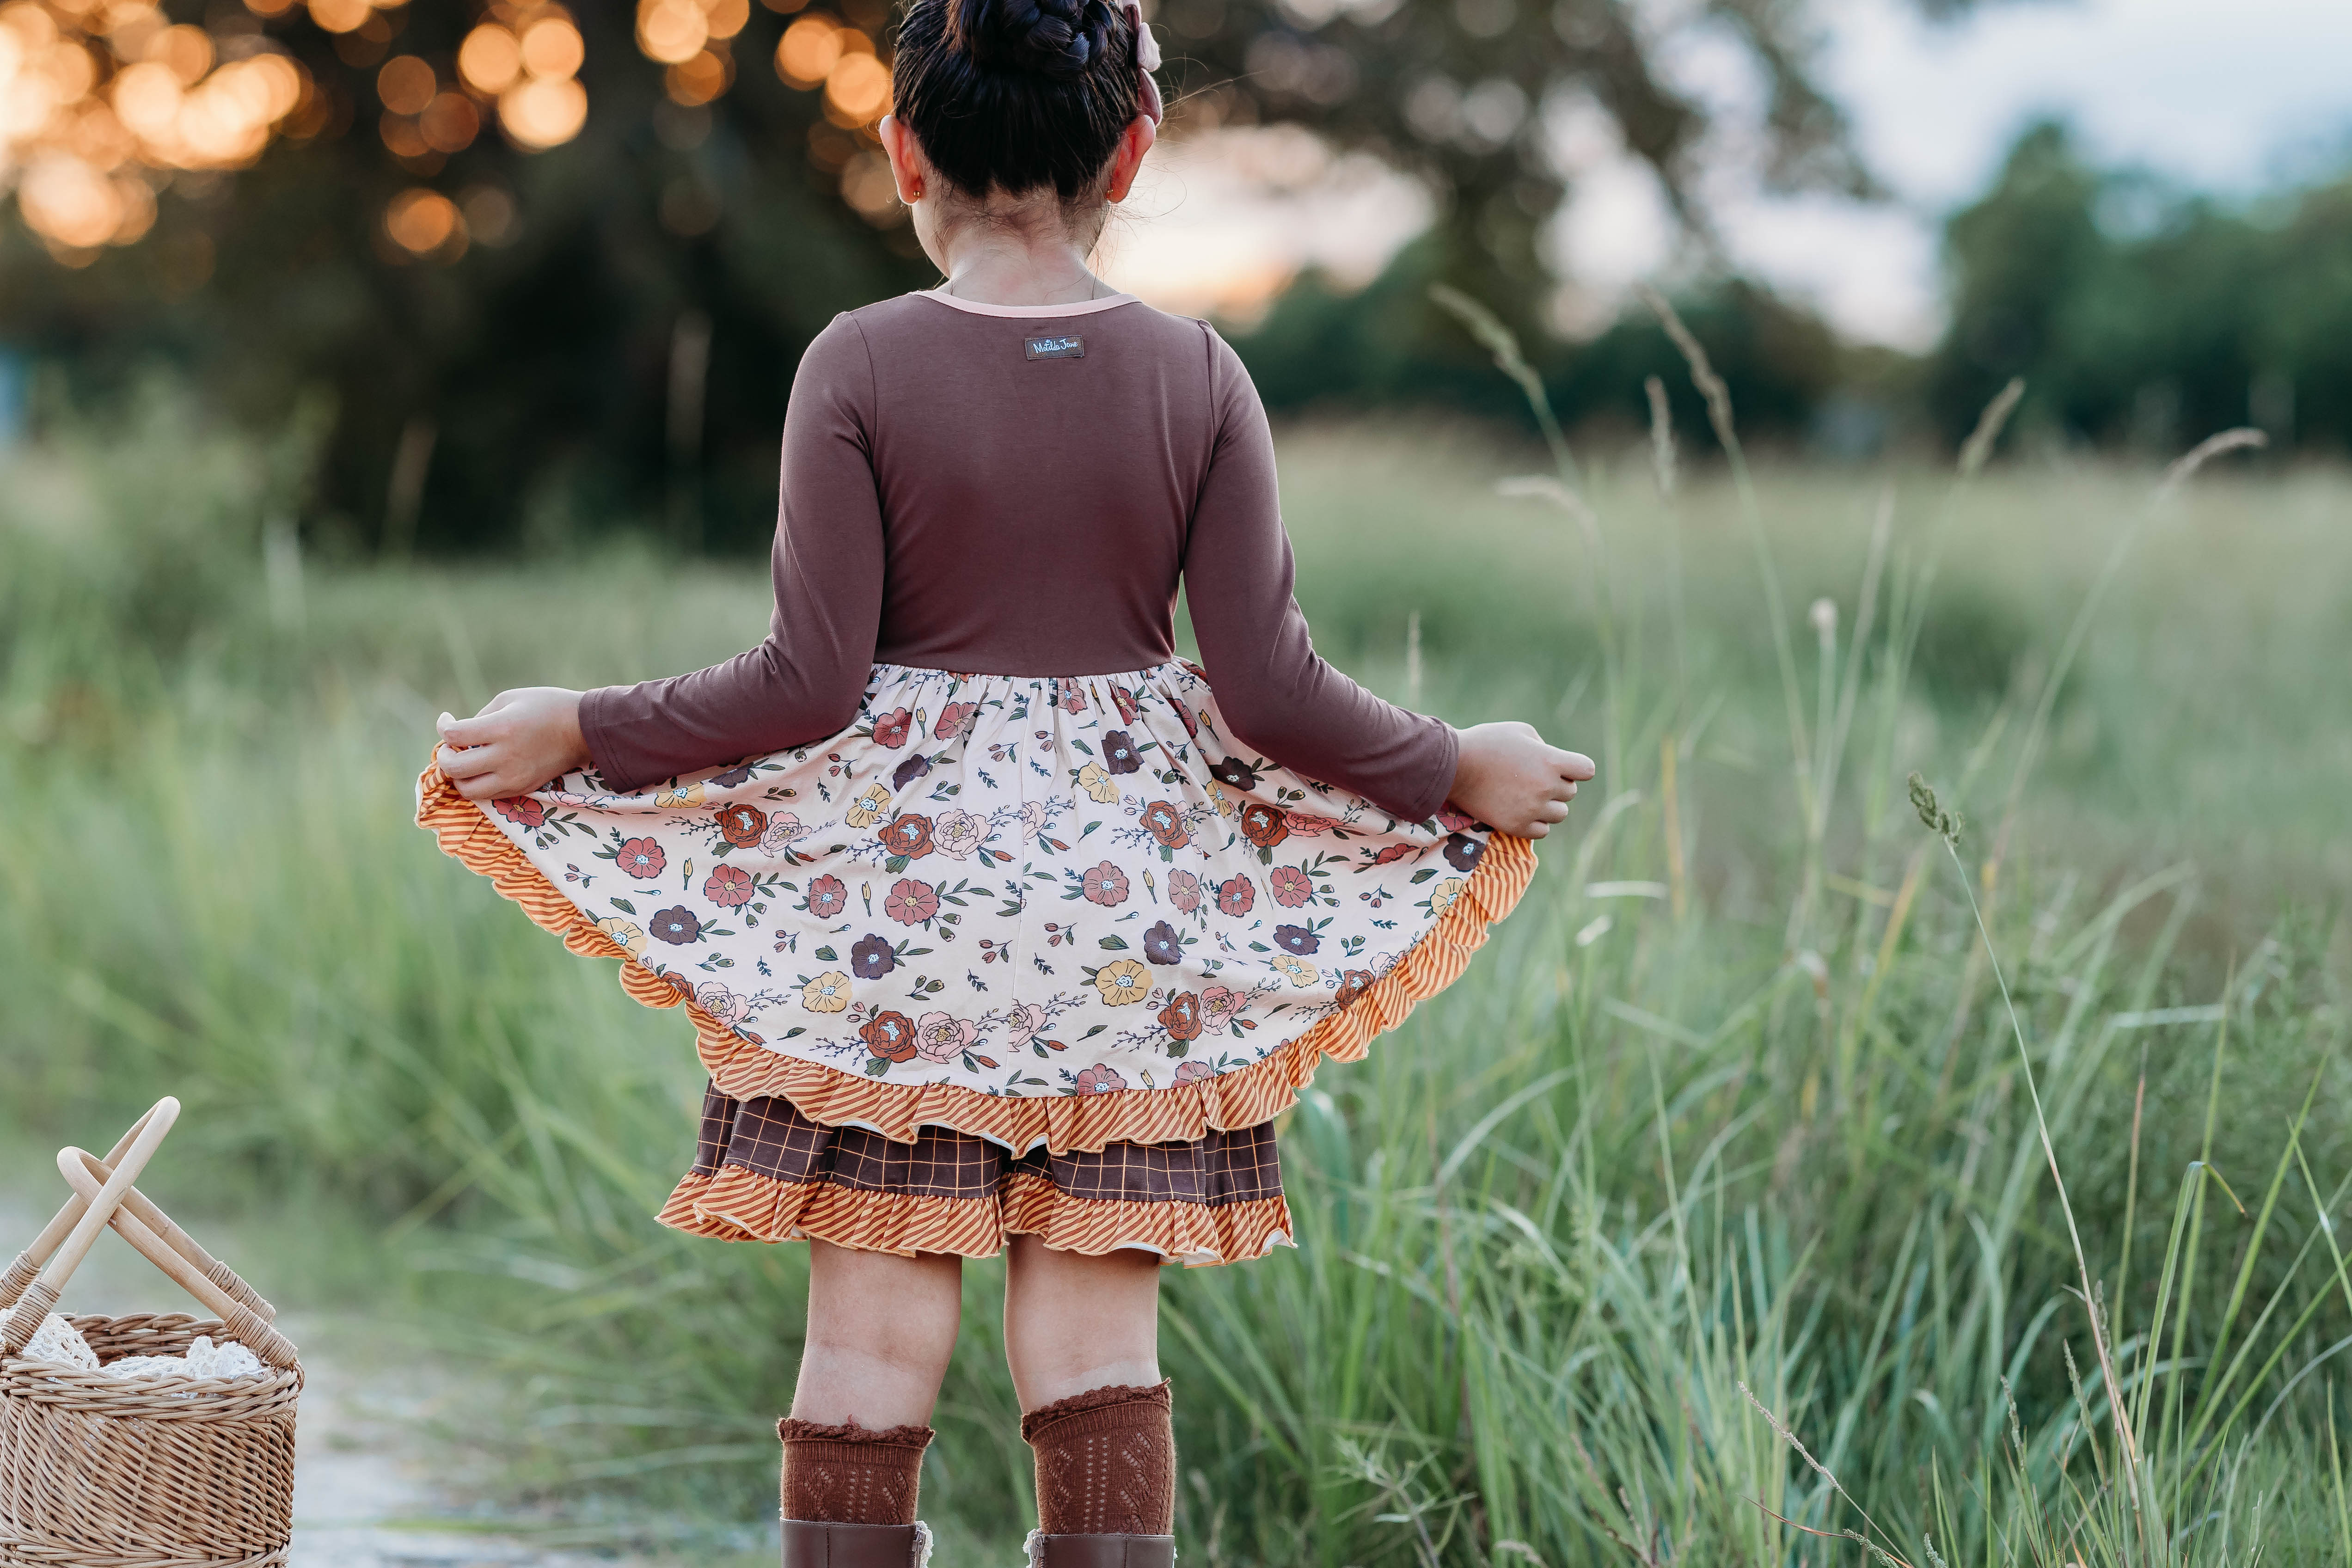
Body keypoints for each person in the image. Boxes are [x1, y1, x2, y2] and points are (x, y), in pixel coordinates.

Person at [420, 0, 1593, 1560]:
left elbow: (805, 682)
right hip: (1128, 941)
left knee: (862, 1357)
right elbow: (1269, 687)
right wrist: (1458, 765)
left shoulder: (857, 361)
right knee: (1104, 1361)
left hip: (893, 938)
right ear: (1134, 143)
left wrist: (586, 724)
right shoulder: (1198, 376)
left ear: (907, 149)